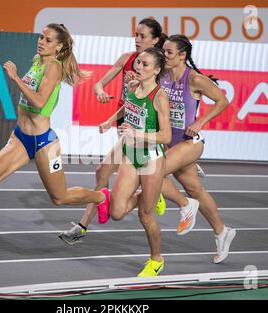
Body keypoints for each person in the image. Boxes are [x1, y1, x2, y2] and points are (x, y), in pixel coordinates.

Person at [0, 23, 109, 260]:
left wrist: (15, 77)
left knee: (60, 198)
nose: (41, 42)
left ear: (58, 46)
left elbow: (39, 102)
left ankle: (100, 197)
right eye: (41, 37)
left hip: (44, 143)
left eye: (48, 40)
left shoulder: (54, 68)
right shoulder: (38, 60)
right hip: (20, 137)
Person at [101, 34, 236, 264]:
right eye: (163, 51)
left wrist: (200, 122)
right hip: (165, 143)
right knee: (195, 190)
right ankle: (222, 232)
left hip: (188, 142)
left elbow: (222, 101)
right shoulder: (160, 75)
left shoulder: (194, 79)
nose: (164, 55)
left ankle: (179, 204)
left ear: (183, 55)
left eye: (170, 52)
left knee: (154, 172)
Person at [58, 17, 169, 245]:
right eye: (135, 35)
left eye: (142, 36)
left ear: (155, 41)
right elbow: (117, 96)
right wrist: (109, 117)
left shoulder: (159, 79)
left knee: (154, 199)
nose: (137, 40)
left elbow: (162, 125)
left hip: (148, 139)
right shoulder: (128, 63)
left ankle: (158, 243)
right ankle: (83, 224)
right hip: (128, 130)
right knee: (103, 173)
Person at [97, 47, 171, 277]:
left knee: (145, 216)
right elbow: (127, 107)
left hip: (151, 158)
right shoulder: (132, 86)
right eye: (138, 62)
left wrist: (137, 134)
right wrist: (110, 120)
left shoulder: (159, 97)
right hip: (131, 154)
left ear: (157, 70)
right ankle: (150, 195)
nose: (138, 67)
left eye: (145, 65)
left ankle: (156, 260)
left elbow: (166, 136)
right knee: (116, 212)